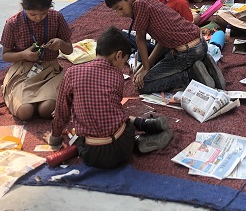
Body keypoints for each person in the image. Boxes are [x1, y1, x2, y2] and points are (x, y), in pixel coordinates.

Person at [48, 27, 173, 167]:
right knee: (120, 118)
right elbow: (113, 108)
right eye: (124, 61)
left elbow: (61, 112)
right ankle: (142, 131)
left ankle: (139, 139)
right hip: (123, 147)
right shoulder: (117, 76)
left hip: (91, 154)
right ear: (118, 55)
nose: (122, 67)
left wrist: (54, 138)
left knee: (80, 138)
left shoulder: (71, 73)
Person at [105, 0, 224, 93]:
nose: (119, 14)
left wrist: (146, 69)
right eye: (116, 11)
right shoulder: (147, 0)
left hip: (187, 52)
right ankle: (204, 61)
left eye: (120, 8)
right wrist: (146, 66)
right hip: (200, 45)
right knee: (151, 64)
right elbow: (162, 42)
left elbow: (140, 39)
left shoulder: (138, 5)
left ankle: (190, 74)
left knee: (144, 85)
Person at [0, 0, 73, 120]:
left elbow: (69, 50)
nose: (38, 18)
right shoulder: (13, 23)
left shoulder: (56, 17)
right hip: (23, 71)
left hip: (51, 71)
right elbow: (5, 55)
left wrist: (61, 44)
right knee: (25, 112)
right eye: (33, 14)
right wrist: (23, 55)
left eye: (43, 13)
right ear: (23, 7)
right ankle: (14, 92)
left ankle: (39, 99)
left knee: (46, 109)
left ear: (50, 7)